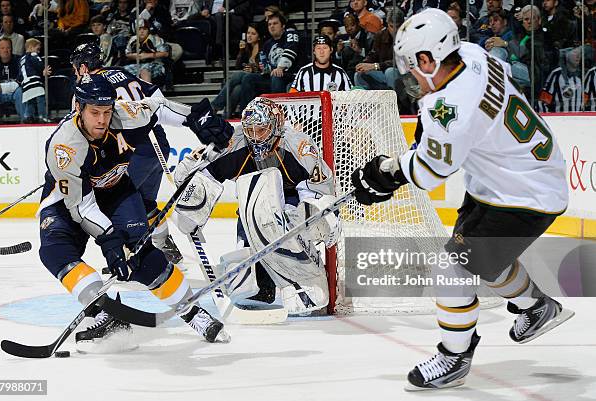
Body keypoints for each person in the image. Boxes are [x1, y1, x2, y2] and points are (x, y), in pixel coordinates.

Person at [351, 8, 573, 390]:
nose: (409, 75)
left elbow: (428, 173)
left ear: (428, 58)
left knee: (451, 266)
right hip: (510, 180)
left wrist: (383, 173)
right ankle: (536, 307)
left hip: (523, 195)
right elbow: (440, 126)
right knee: (479, 260)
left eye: (411, 65)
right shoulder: (471, 54)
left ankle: (454, 356)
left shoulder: (449, 108)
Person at [38, 73, 233, 349]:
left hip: (117, 190)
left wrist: (197, 118)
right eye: (94, 112)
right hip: (69, 202)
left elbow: (158, 107)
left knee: (141, 256)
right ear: (78, 109)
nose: (102, 120)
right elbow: (82, 207)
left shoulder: (124, 115)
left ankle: (192, 313)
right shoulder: (64, 147)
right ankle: (104, 313)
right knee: (55, 250)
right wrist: (110, 242)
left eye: (106, 112)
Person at [172, 97, 340, 316]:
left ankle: (306, 277)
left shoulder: (298, 146)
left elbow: (321, 189)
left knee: (284, 228)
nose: (255, 137)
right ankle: (260, 285)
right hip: (252, 202)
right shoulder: (236, 142)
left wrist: (316, 221)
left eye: (261, 130)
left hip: (293, 199)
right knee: (250, 226)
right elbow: (200, 175)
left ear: (276, 127)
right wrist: (192, 203)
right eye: (250, 130)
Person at [70, 42, 183, 264]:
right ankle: (167, 248)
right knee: (146, 202)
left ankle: (137, 257)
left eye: (75, 67)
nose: (75, 73)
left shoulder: (87, 89)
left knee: (118, 201)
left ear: (83, 67)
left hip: (132, 148)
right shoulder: (121, 72)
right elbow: (158, 98)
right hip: (158, 142)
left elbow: (82, 132)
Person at [238, 12, 300, 112]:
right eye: (269, 24)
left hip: (291, 75)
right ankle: (246, 113)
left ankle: (278, 114)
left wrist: (280, 67)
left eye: (275, 23)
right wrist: (264, 68)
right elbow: (266, 65)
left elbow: (290, 51)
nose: (272, 26)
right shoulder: (267, 44)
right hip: (273, 77)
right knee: (249, 78)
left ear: (283, 26)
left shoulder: (290, 35)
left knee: (276, 76)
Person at [211, 23, 262, 118]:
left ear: (259, 37)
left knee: (237, 75)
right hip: (245, 81)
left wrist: (254, 69)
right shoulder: (247, 49)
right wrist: (241, 52)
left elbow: (263, 68)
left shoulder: (263, 49)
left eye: (253, 34)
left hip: (257, 80)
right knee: (237, 88)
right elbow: (238, 66)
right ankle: (226, 117)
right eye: (248, 33)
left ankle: (215, 106)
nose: (249, 36)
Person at [354, 7, 404, 90]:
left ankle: (395, 101)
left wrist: (375, 66)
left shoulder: (408, 37)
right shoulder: (380, 35)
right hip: (382, 71)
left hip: (403, 74)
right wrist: (364, 64)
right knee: (359, 74)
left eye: (398, 26)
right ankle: (364, 101)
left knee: (390, 72)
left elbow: (401, 62)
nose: (394, 30)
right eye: (391, 26)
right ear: (387, 24)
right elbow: (373, 54)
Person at [125, 19, 169, 83]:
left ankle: (148, 92)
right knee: (121, 71)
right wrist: (135, 56)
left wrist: (146, 56)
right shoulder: (133, 39)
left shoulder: (155, 39)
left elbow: (165, 53)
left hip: (156, 64)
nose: (142, 31)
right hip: (137, 65)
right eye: (139, 29)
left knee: (144, 70)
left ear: (148, 30)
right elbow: (127, 54)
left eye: (144, 29)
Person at [19, 37, 50, 123]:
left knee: (30, 101)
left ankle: (28, 116)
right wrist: (43, 70)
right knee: (40, 99)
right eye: (38, 49)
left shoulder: (21, 59)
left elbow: (19, 75)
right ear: (31, 47)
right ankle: (42, 116)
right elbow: (38, 63)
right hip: (34, 81)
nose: (38, 52)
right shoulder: (33, 55)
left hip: (25, 84)